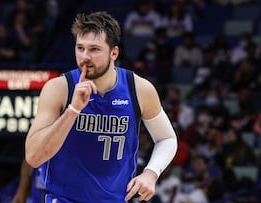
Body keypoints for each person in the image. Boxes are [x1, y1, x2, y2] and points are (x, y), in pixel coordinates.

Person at [25, 11, 178, 202]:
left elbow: (167, 138)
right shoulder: (59, 88)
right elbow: (33, 157)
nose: (85, 56)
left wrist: (151, 173)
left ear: (114, 52)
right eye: (80, 48)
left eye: (94, 49)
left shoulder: (139, 89)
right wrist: (73, 110)